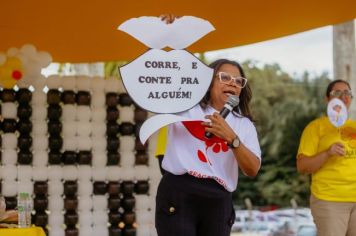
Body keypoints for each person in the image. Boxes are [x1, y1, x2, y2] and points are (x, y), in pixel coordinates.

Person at [155, 51, 261, 235]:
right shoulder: (182, 107)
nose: (232, 83)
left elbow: (252, 169)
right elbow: (165, 67)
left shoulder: (245, 125)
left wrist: (232, 139)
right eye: (225, 77)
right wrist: (170, 28)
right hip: (180, 191)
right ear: (208, 82)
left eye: (238, 81)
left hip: (218, 199)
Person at [296, 79, 356, 236]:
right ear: (327, 98)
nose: (343, 96)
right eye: (337, 92)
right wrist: (327, 153)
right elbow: (302, 167)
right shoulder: (315, 128)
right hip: (329, 200)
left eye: (347, 93)